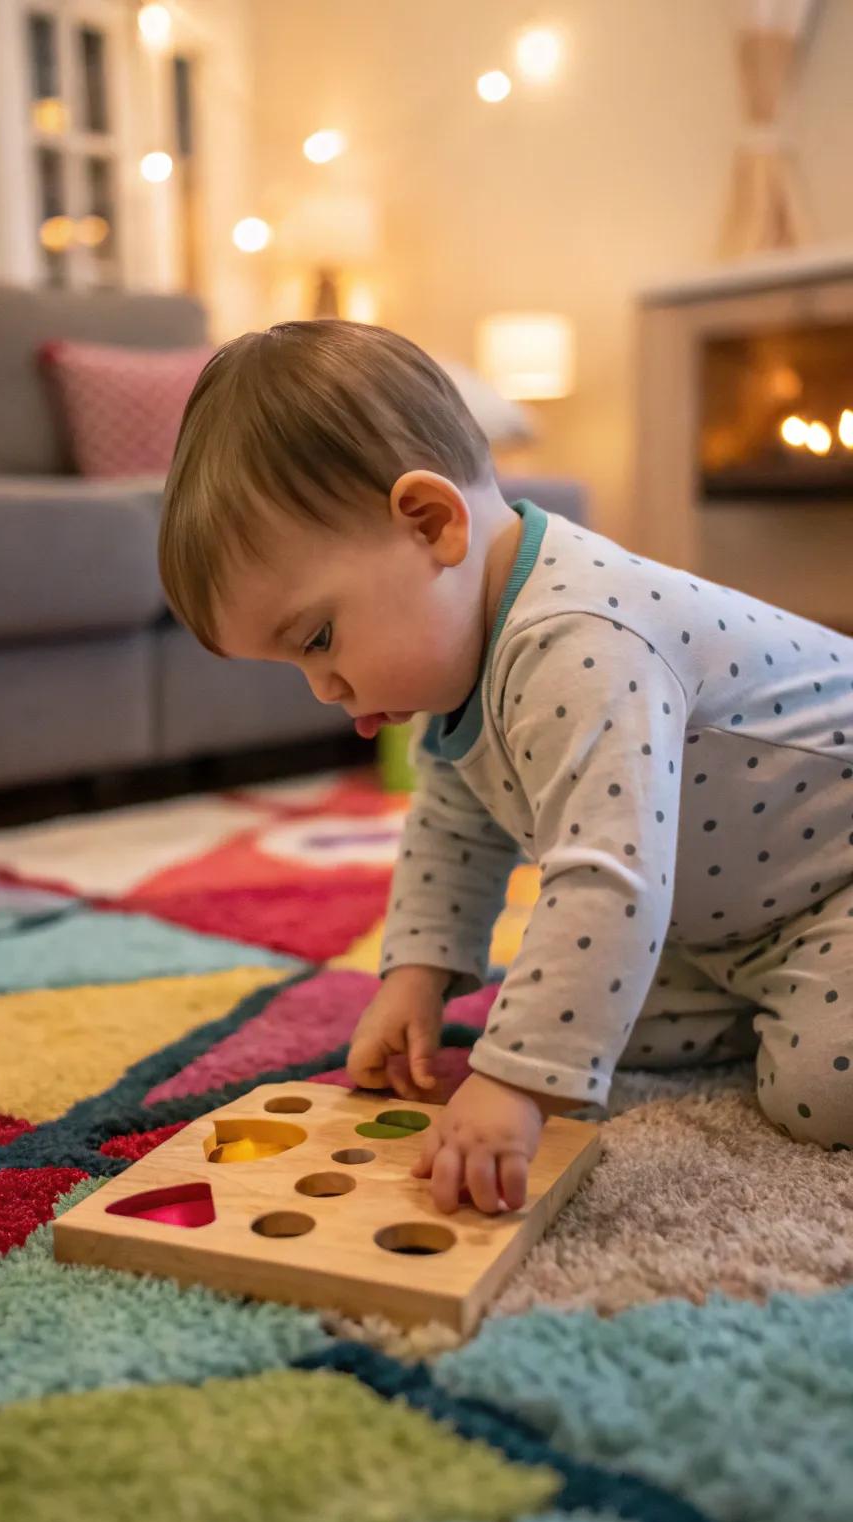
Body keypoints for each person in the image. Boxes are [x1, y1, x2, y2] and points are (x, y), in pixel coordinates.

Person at [159, 319, 853, 1216]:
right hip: (731, 926)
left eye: (319, 640)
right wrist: (418, 972)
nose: (325, 688)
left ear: (430, 522)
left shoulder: (579, 637)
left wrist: (520, 1089)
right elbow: (454, 827)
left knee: (818, 1091)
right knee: (573, 1016)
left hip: (833, 881)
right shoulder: (469, 656)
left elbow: (610, 875)